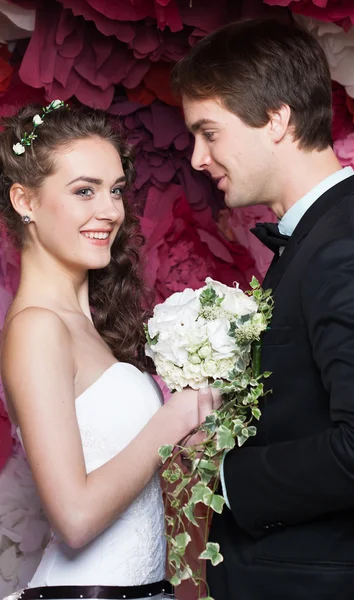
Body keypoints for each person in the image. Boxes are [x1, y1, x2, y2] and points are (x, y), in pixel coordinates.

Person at [171, 18, 354, 600]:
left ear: (276, 118)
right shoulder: (324, 239)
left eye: (208, 132)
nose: (198, 157)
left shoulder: (346, 248)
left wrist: (229, 472)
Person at [0, 102, 219, 600]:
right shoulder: (38, 327)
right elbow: (75, 518)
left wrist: (193, 446)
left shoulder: (85, 324)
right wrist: (171, 420)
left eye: (117, 189)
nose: (111, 211)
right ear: (24, 200)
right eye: (84, 191)